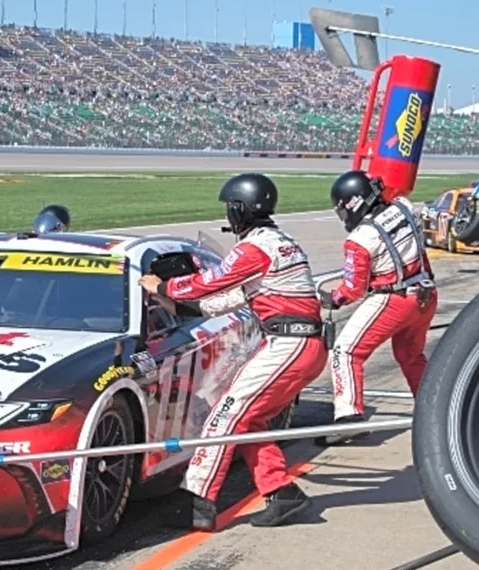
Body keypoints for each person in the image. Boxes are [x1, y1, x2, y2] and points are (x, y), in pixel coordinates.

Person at [139, 172, 327, 530]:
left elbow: (210, 283)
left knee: (224, 415)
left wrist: (162, 285)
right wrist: (181, 306)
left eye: (230, 208)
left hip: (289, 343)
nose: (229, 215)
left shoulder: (254, 247)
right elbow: (229, 299)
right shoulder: (280, 242)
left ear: (240, 209)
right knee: (249, 419)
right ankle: (282, 492)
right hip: (301, 343)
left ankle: (195, 501)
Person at [320, 170, 437, 446]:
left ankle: (348, 417)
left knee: (346, 351)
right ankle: (433, 405)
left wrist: (333, 299)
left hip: (393, 299)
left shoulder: (360, 238)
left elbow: (354, 289)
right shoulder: (405, 207)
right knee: (411, 355)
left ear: (354, 203)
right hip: (426, 293)